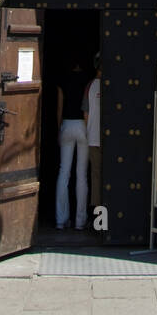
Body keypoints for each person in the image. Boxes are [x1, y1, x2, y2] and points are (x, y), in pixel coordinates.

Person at [56, 58, 90, 230]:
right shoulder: (87, 79)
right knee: (81, 174)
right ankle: (80, 221)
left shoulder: (63, 79)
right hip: (83, 126)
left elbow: (59, 107)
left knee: (64, 172)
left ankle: (61, 220)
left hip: (67, 124)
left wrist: (58, 128)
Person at [83, 53, 102, 229]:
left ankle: (98, 222)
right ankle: (103, 223)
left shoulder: (90, 86)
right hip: (107, 140)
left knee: (96, 177)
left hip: (93, 139)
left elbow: (86, 115)